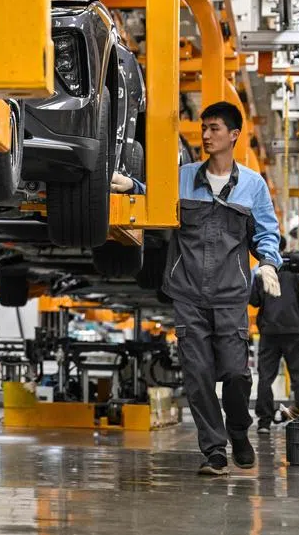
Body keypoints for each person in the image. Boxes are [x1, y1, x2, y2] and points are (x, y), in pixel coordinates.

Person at [114, 101, 282, 476]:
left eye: (215, 129)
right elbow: (156, 198)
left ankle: (238, 431)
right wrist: (134, 188)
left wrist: (269, 262)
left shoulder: (253, 186)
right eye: (204, 128)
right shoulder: (184, 176)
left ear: (234, 135)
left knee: (236, 375)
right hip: (188, 294)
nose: (206, 135)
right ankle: (214, 451)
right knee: (198, 375)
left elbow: (267, 233)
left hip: (230, 296)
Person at [249, 238, 299, 432]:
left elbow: (254, 301)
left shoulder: (261, 272)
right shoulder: (294, 272)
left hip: (269, 330)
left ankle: (264, 422)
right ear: (284, 248)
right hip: (293, 330)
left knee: (265, 377)